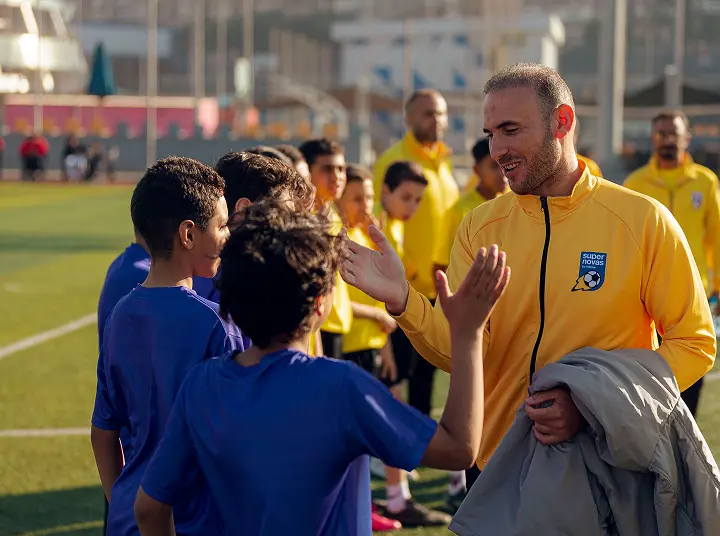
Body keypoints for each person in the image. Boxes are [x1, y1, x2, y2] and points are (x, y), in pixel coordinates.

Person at [342, 62, 716, 493]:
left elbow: (694, 344)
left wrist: (594, 405)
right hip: (496, 470)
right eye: (490, 134)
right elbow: (458, 351)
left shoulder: (642, 221)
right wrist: (404, 301)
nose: (497, 148)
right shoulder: (479, 228)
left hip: (606, 470)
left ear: (563, 121)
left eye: (510, 129)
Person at [134, 200, 511, 535]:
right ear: (319, 305)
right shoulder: (339, 388)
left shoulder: (202, 385)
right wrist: (467, 334)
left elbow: (149, 509)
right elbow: (459, 449)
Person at [91, 157, 248, 536]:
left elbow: (102, 431)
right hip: (199, 518)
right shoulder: (216, 324)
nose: (227, 236)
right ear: (188, 235)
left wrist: (122, 502)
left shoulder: (121, 315)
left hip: (131, 515)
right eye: (222, 225)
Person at [340, 164, 451, 528]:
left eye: (367, 197)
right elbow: (337, 297)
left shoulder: (382, 230)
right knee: (366, 421)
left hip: (375, 339)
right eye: (358, 197)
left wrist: (383, 338)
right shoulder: (344, 235)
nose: (365, 203)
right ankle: (379, 501)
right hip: (348, 342)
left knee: (384, 411)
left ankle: (391, 500)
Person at [373, 89, 459, 433]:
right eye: (427, 114)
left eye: (440, 113)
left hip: (439, 287)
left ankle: (423, 439)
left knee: (428, 370)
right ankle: (385, 448)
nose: (435, 120)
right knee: (395, 374)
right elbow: (378, 221)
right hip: (402, 290)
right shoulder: (391, 160)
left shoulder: (445, 161)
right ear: (408, 119)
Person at [624, 110, 720, 416]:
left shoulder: (705, 182)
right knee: (650, 368)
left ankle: (684, 438)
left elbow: (716, 238)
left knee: (691, 367)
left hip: (694, 294)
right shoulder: (635, 182)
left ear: (687, 137)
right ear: (652, 138)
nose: (667, 140)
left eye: (673, 134)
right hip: (646, 295)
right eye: (661, 134)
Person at [300, 138, 353, 358]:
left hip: (338, 324)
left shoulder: (332, 214)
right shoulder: (302, 220)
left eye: (341, 169)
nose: (337, 176)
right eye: (328, 169)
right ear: (308, 172)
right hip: (316, 326)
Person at [434, 137, 508, 276]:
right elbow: (442, 265)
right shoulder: (460, 211)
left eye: (505, 164)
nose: (502, 173)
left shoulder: (514, 202)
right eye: (493, 166)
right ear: (476, 170)